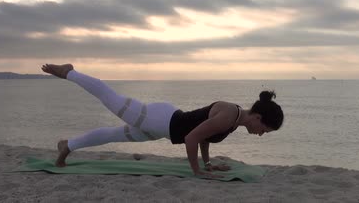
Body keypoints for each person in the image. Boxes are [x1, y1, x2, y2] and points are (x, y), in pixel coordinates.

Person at [41, 63, 284, 178]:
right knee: (110, 98)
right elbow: (191, 138)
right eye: (265, 129)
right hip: (159, 119)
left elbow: (204, 136)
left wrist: (208, 164)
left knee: (113, 135)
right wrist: (197, 171)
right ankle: (68, 72)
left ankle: (68, 146)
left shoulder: (234, 118)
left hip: (161, 127)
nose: (261, 134)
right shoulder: (231, 115)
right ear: (258, 117)